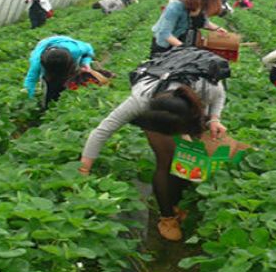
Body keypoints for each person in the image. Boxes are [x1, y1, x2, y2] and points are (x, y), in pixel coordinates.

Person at [79, 50, 229, 241]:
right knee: (167, 158)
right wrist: (83, 170)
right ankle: (167, 216)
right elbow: (101, 131)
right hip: (161, 102)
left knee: (188, 153)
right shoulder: (141, 100)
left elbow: (220, 93)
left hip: (190, 103)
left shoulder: (207, 87)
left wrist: (214, 119)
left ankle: (177, 202)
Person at [150, 0, 226, 57]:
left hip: (187, 45)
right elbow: (165, 33)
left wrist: (217, 28)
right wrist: (185, 49)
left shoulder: (202, 7)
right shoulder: (175, 7)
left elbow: (204, 22)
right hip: (166, 48)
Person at [23, 36, 95, 107]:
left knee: (72, 80)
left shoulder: (76, 50)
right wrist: (30, 100)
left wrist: (85, 62)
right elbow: (31, 80)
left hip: (65, 43)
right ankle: (49, 104)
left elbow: (89, 50)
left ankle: (69, 95)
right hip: (45, 44)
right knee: (51, 86)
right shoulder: (37, 61)